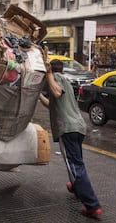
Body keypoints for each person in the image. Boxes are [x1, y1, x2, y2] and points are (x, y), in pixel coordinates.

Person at [39, 56, 102, 220]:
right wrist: (39, 96)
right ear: (63, 70)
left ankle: (92, 206)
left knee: (74, 166)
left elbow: (56, 92)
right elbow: (54, 103)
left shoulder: (56, 78)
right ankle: (76, 187)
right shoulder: (66, 80)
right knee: (76, 161)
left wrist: (48, 74)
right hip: (78, 127)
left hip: (67, 129)